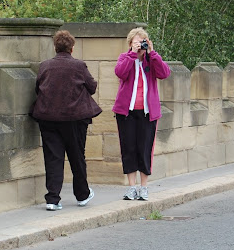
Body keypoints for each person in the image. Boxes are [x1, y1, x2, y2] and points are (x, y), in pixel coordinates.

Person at [31, 30, 101, 210]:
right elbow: (92, 87)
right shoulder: (79, 66)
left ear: (55, 47)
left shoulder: (45, 66)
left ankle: (52, 199)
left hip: (48, 118)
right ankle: (82, 195)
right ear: (72, 48)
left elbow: (38, 88)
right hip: (75, 119)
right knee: (77, 156)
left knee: (53, 158)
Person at [112, 28, 171, 201]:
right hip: (126, 112)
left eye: (143, 42)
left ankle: (144, 187)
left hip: (147, 113)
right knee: (128, 148)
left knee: (145, 149)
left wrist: (152, 54)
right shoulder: (125, 58)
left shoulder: (150, 60)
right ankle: (132, 187)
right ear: (130, 44)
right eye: (137, 42)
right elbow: (120, 73)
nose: (140, 46)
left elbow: (164, 73)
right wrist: (132, 55)